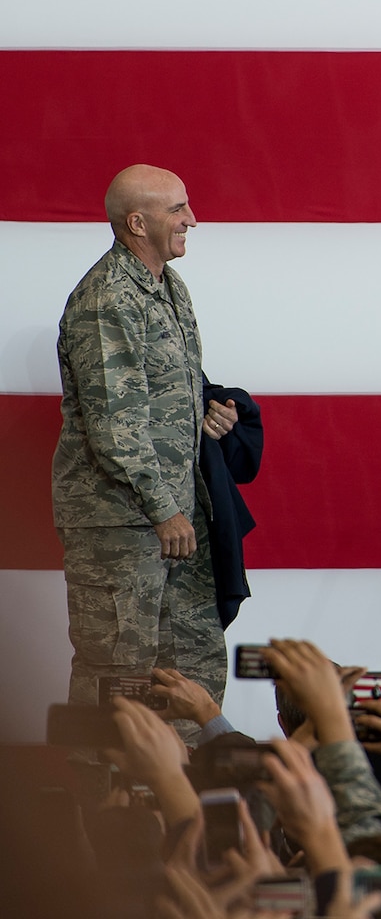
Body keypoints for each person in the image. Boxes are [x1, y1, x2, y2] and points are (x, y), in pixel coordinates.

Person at [53, 164, 234, 733]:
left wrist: (210, 410)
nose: (192, 219)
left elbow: (162, 389)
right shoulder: (107, 300)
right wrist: (163, 509)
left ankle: (193, 805)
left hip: (175, 516)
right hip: (125, 525)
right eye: (178, 209)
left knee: (192, 666)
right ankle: (105, 818)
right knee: (118, 681)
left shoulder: (168, 286)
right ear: (137, 222)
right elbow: (114, 424)